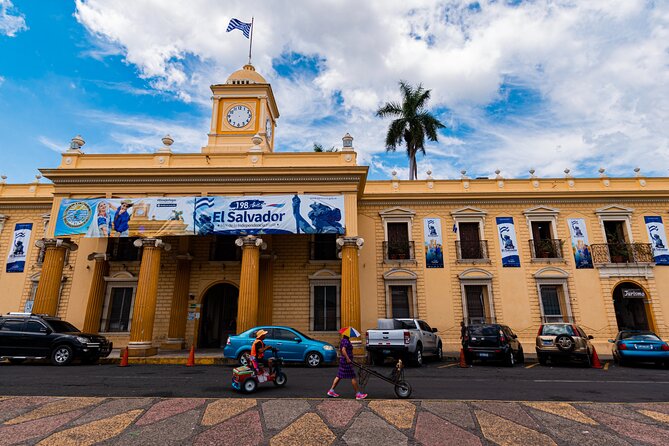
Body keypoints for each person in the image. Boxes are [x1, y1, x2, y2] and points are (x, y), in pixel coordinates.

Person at [327, 334, 367, 400]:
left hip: (343, 361)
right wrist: (348, 358)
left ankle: (331, 391)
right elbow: (343, 350)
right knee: (353, 376)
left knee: (339, 376)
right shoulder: (346, 341)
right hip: (346, 362)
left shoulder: (343, 340)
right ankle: (358, 394)